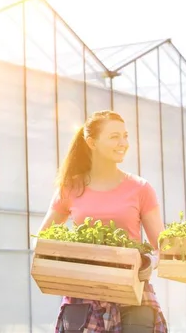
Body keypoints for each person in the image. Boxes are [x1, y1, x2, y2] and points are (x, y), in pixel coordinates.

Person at [38, 110, 168, 333]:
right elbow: (41, 241)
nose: (123, 143)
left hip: (132, 296)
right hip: (83, 297)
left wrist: (147, 262)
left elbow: (162, 246)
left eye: (125, 136)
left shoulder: (140, 188)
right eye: (114, 136)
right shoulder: (71, 187)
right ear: (92, 142)